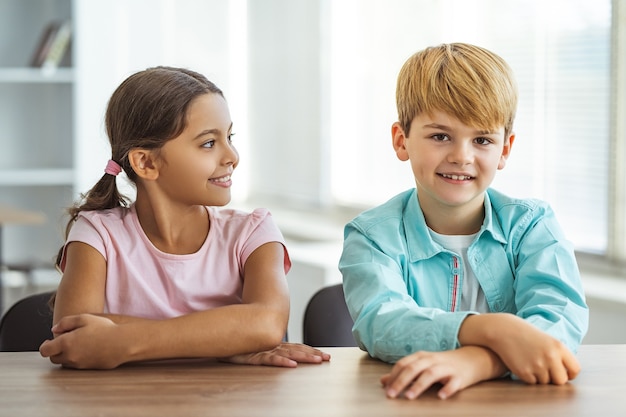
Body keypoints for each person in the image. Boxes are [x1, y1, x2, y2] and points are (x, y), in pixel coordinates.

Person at [338, 43, 588, 400]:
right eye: (440, 136)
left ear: (504, 150)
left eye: (482, 139)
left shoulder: (533, 225)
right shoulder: (372, 236)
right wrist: (491, 329)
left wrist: (478, 361)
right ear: (401, 140)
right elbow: (381, 323)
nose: (461, 156)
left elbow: (561, 320)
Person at [39, 66, 330, 369]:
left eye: (229, 136)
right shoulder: (97, 234)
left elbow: (266, 324)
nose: (232, 156)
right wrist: (224, 341)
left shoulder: (253, 232)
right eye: (208, 143)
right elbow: (72, 336)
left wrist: (121, 342)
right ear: (146, 162)